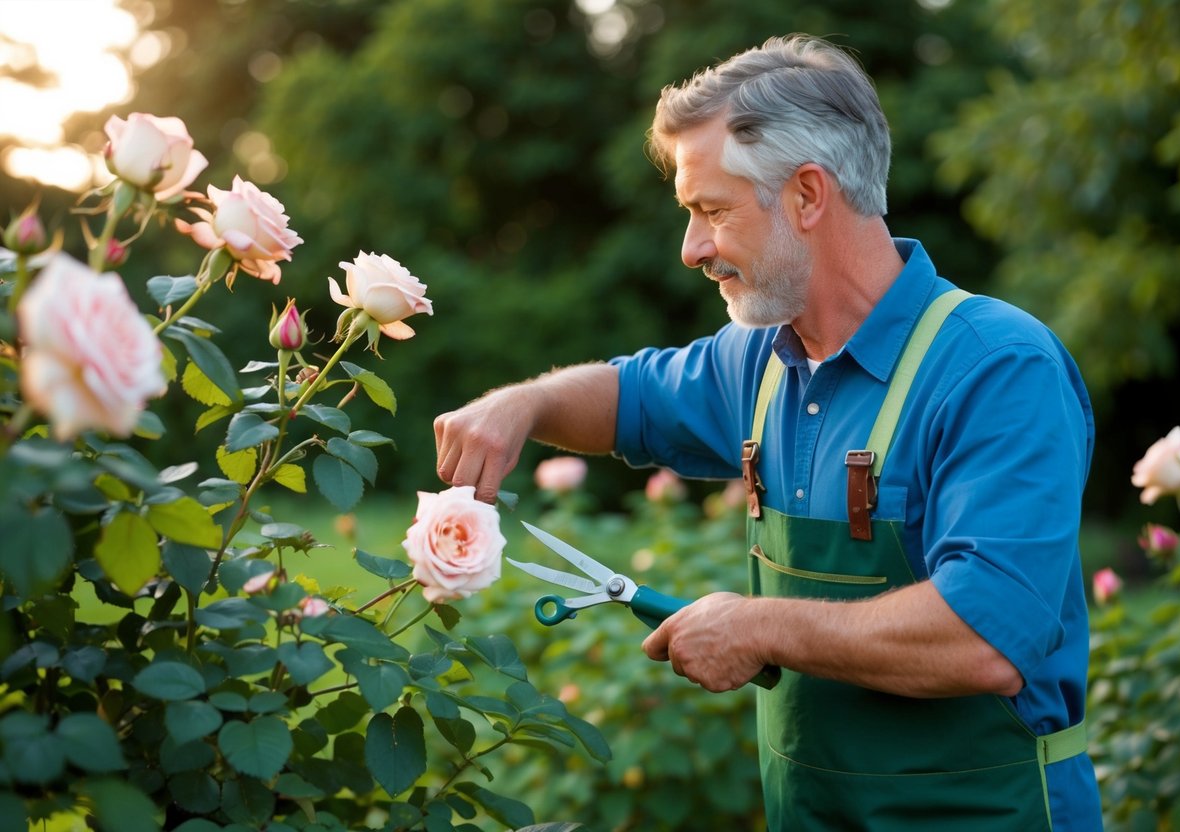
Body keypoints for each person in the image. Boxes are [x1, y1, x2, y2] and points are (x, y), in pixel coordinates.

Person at [432, 34, 1102, 831]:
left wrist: (758, 625)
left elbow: (986, 638)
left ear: (807, 197)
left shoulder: (997, 369)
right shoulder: (760, 360)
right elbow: (629, 397)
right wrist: (525, 405)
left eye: (711, 211)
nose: (691, 249)